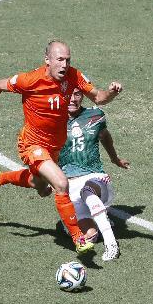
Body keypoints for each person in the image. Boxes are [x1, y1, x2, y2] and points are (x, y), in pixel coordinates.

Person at [0, 40, 122, 253]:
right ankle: (78, 239)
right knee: (61, 183)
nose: (65, 65)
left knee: (41, 187)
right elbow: (0, 84)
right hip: (32, 144)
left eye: (67, 60)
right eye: (60, 60)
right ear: (47, 60)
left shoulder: (74, 75)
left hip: (54, 147)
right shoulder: (31, 80)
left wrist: (112, 92)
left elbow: (99, 98)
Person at [59, 88, 130, 262]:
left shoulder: (95, 115)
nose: (73, 99)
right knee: (90, 237)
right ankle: (76, 222)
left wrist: (115, 159)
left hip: (95, 178)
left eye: (77, 94)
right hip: (69, 188)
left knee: (88, 191)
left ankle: (111, 244)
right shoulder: (51, 120)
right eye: (69, 94)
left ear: (83, 96)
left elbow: (105, 136)